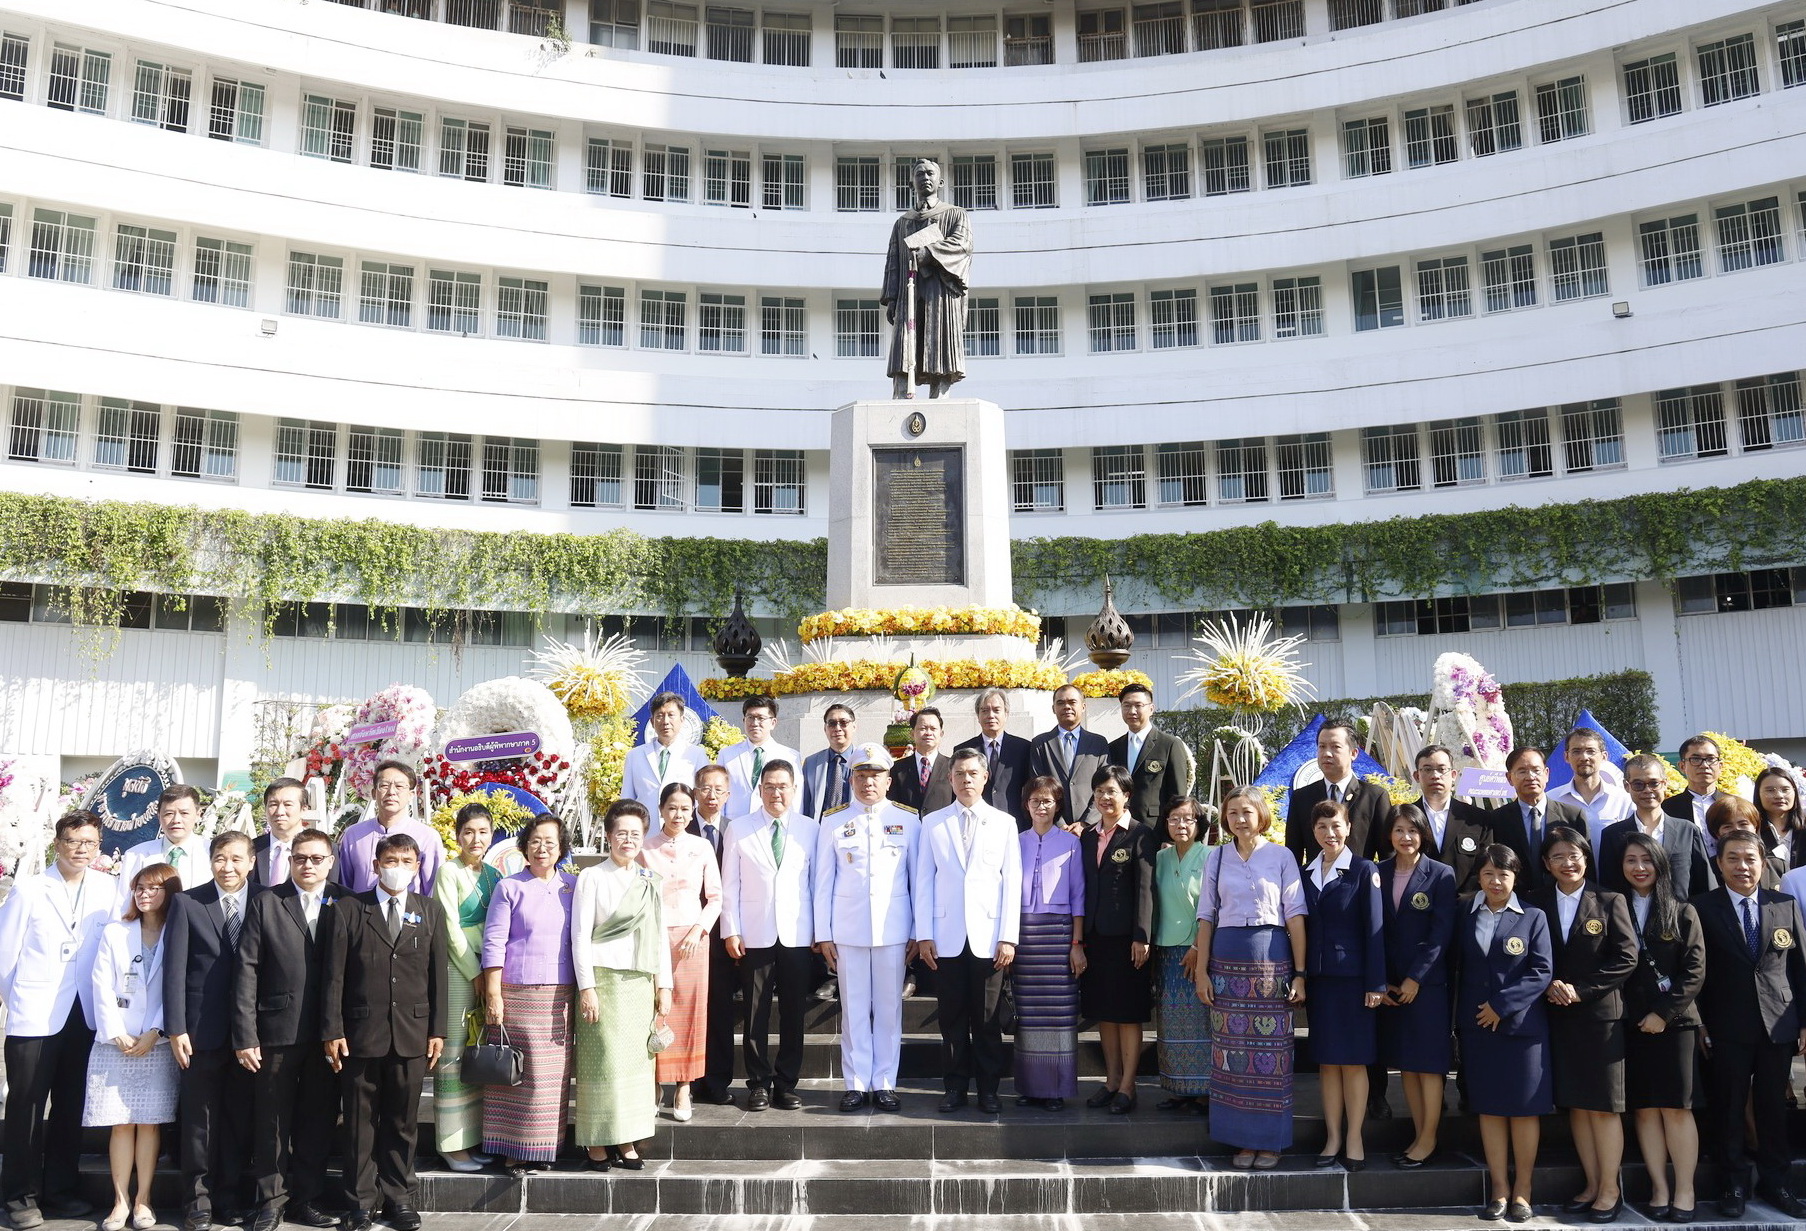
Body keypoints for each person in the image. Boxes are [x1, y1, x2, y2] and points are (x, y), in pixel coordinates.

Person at [322, 833, 446, 1231]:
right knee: (358, 1123)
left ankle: (399, 1198)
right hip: (359, 1034)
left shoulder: (430, 910)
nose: (398, 866)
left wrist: (437, 1030)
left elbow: (436, 976)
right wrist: (333, 1029)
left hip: (412, 1032)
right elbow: (333, 976)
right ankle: (360, 1202)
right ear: (375, 866)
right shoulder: (348, 909)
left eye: (406, 860)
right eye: (390, 859)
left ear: (417, 867)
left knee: (402, 1122)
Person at [0, 811, 116, 1229]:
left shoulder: (109, 889)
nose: (81, 849)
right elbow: (4, 958)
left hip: (84, 1014)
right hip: (35, 1015)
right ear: (58, 843)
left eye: (89, 842)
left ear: (98, 845)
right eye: (73, 841)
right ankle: (18, 1196)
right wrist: (22, 1002)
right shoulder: (29, 890)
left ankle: (61, 1190)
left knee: (71, 1106)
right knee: (27, 1105)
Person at [232, 828, 346, 1231]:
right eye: (301, 858)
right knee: (272, 1121)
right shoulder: (267, 901)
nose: (309, 865)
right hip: (275, 1031)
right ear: (290, 861)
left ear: (330, 861)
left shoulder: (346, 901)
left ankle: (307, 1200)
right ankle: (270, 1201)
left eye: (317, 858)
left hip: (330, 1034)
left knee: (317, 1120)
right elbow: (247, 969)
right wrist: (245, 1034)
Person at [1692, 829, 1806, 1220]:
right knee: (1728, 1106)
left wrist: (1805, 1021)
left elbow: (1800, 967)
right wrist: (1701, 1024)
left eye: (1750, 859)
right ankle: (1733, 1182)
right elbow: (1697, 972)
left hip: (1778, 1023)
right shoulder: (1702, 908)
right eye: (1734, 858)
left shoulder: (1784, 904)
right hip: (1726, 1026)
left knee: (1774, 1106)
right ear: (1719, 863)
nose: (1743, 866)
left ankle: (1776, 1182)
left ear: (1763, 863)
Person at [1193, 785, 1307, 1170]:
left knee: (1271, 1055)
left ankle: (1270, 1142)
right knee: (1232, 1054)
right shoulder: (1217, 857)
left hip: (1271, 958)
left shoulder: (1281, 856)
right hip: (1226, 960)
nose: (1240, 819)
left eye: (1247, 812)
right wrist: (1202, 973)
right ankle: (1241, 1140)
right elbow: (1206, 915)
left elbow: (1295, 915)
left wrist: (1301, 973)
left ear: (1261, 815)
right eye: (1233, 813)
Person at [1528, 826, 1637, 1223]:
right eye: (1558, 857)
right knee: (1577, 1105)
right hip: (1556, 1016)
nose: (1567, 863)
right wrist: (1551, 986)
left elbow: (1626, 958)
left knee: (1604, 1107)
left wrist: (1581, 989)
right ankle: (1592, 1184)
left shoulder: (1609, 899)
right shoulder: (1535, 901)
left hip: (1600, 1017)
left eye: (1574, 855)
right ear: (1546, 864)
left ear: (1586, 858)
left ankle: (1611, 1189)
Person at [812, 744, 920, 1112]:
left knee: (889, 1011)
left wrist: (918, 931)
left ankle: (885, 1082)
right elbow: (822, 882)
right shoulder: (833, 820)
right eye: (860, 775)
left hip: (893, 930)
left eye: (875, 776)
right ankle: (856, 1083)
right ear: (851, 779)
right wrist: (823, 933)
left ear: (889, 780)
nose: (867, 783)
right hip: (848, 930)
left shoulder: (909, 819)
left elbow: (917, 880)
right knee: (854, 1010)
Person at [915, 748, 1021, 1115]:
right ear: (950, 778)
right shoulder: (933, 822)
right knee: (952, 1019)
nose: (966, 780)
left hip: (989, 939)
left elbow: (1012, 883)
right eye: (959, 774)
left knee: (988, 1019)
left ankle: (989, 1090)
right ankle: (955, 1087)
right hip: (945, 938)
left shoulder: (1005, 823)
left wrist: (1009, 936)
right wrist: (924, 934)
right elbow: (924, 880)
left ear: (985, 777)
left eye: (972, 774)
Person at [165, 830, 262, 1231]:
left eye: (237, 859)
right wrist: (176, 1028)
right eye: (221, 858)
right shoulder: (189, 902)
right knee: (199, 1121)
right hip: (200, 1030)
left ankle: (228, 1197)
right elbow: (174, 969)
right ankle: (197, 1201)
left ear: (251, 862)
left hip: (249, 1034)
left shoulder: (266, 900)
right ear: (210, 861)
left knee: (239, 1119)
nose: (229, 867)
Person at [1454, 845, 1552, 1224]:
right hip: (1478, 1027)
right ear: (1478, 876)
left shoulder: (1533, 917)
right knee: (1490, 1108)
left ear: (1515, 878)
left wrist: (1503, 1005)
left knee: (1525, 1111)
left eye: (1504, 875)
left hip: (1522, 1029)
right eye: (1489, 874)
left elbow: (1541, 972)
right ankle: (1498, 1189)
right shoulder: (1466, 913)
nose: (1496, 882)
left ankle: (1523, 1191)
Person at [573, 801, 673, 1171]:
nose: (628, 840)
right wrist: (587, 987)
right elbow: (580, 937)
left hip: (639, 983)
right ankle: (597, 1142)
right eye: (621, 833)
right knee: (602, 1065)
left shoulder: (649, 880)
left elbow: (659, 936)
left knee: (636, 1068)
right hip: (603, 981)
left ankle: (628, 1138)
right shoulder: (592, 877)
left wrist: (664, 985)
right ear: (608, 836)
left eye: (635, 833)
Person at [85, 862, 180, 1231]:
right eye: (139, 887)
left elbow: (177, 985)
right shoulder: (115, 932)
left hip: (155, 1043)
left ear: (169, 892)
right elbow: (101, 984)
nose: (144, 894)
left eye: (153, 887)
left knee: (149, 1123)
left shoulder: (178, 932)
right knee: (120, 1124)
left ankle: (144, 1200)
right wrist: (116, 1032)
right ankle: (120, 1201)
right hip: (117, 1043)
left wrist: (155, 1031)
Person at [480, 817, 577, 1174]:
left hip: (560, 993)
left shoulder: (573, 886)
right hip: (517, 992)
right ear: (524, 846)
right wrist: (493, 993)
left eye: (550, 843)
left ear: (562, 848)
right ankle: (514, 1149)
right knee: (518, 1074)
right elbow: (493, 940)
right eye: (535, 841)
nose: (542, 849)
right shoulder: (509, 887)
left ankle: (546, 1147)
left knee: (552, 1078)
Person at [720, 759, 818, 1112]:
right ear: (760, 790)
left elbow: (816, 885)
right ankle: (759, 1083)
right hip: (754, 934)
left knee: (794, 1013)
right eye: (770, 786)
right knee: (755, 1013)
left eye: (783, 786)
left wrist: (820, 931)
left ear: (794, 790)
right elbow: (729, 884)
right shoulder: (740, 828)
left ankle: (787, 1083)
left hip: (797, 934)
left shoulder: (810, 829)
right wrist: (731, 929)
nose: (777, 793)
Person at [1618, 832, 1705, 1223]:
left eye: (1646, 860)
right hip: (1629, 1022)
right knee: (1645, 1109)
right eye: (1631, 860)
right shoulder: (1612, 906)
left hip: (1675, 1024)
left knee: (1676, 1108)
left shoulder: (1682, 911)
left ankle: (1685, 1189)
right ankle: (1659, 1187)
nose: (1639, 868)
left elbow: (1694, 972)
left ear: (1660, 865)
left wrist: (1663, 1014)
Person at [1302, 800, 1386, 1170]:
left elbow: (1375, 931)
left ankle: (1354, 1138)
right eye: (1322, 827)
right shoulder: (1306, 873)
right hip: (1320, 982)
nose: (1329, 833)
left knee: (1353, 1063)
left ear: (1348, 828)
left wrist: (1376, 983)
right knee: (1327, 1064)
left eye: (1335, 826)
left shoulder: (1364, 870)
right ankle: (1332, 1136)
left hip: (1354, 983)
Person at [1376, 805, 1456, 1169]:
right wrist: (1387, 981)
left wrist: (1414, 979)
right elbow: (1377, 933)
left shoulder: (1441, 874)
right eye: (1398, 830)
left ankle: (1429, 1139)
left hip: (1428, 987)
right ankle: (1419, 1134)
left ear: (1423, 834)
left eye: (1412, 830)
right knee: (1407, 1065)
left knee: (1429, 1065)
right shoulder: (1379, 873)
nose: (1405, 837)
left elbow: (1441, 935)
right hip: (1393, 987)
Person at [1077, 765, 1155, 1115]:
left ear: (1127, 795)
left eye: (1112, 791)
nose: (1105, 798)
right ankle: (1110, 1080)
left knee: (1127, 1014)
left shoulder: (1141, 834)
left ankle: (1128, 1086)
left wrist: (1142, 936)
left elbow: (1145, 889)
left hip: (1127, 941)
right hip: (1096, 938)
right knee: (1104, 1014)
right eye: (1099, 792)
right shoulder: (1088, 836)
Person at [640, 783, 721, 1121]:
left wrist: (699, 929)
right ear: (661, 810)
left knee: (690, 1013)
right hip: (653, 937)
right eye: (672, 808)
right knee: (656, 1011)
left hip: (692, 939)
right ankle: (656, 1082)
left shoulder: (702, 847)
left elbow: (715, 897)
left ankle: (684, 1087)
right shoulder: (644, 848)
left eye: (686, 809)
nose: (679, 815)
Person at [430, 804, 503, 1170]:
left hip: (486, 969)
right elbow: (449, 927)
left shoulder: (493, 874)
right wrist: (475, 971)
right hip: (459, 971)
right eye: (469, 832)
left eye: (483, 832)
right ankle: (450, 1144)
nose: (476, 839)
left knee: (477, 1053)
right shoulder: (449, 872)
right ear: (457, 835)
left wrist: (490, 973)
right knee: (455, 1054)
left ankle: (472, 1139)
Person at [1012, 776, 1085, 1111]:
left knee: (1057, 1015)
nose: (1041, 807)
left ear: (1058, 806)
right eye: (1035, 801)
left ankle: (1055, 1087)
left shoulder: (1070, 843)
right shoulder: (1014, 841)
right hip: (1024, 933)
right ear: (1026, 805)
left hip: (1058, 934)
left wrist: (1076, 942)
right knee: (1028, 1014)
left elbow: (1078, 896)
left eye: (1048, 801)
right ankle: (1030, 1085)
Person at [881, 157, 972, 399]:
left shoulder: (956, 215)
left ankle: (939, 396)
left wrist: (929, 253)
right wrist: (891, 298)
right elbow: (893, 261)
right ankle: (900, 395)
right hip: (908, 290)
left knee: (939, 343)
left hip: (940, 292)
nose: (925, 178)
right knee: (904, 344)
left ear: (940, 181)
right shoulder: (902, 223)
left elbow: (962, 245)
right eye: (919, 174)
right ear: (912, 183)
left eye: (930, 173)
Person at [685, 764, 739, 1108]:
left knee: (720, 1010)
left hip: (722, 936)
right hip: (686, 935)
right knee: (688, 1008)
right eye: (706, 788)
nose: (712, 795)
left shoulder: (739, 830)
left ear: (728, 794)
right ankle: (685, 1080)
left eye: (719, 789)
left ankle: (717, 1080)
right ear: (695, 792)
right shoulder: (679, 828)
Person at [1150, 796, 1207, 1115]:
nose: (1180, 825)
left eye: (1187, 819)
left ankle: (1203, 1090)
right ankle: (1177, 1087)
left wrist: (1199, 946)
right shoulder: (1160, 858)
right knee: (1171, 1021)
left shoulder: (1212, 856)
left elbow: (1214, 906)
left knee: (1200, 1022)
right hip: (1167, 950)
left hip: (1199, 949)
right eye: (1174, 819)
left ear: (1199, 824)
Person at [1407, 744, 1524, 896]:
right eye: (1427, 769)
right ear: (1417, 776)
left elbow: (1488, 865)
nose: (1435, 775)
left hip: (1466, 908)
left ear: (1454, 775)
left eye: (1442, 769)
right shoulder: (1405, 818)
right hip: (1418, 905)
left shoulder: (1478, 819)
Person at [1597, 753, 1712, 903]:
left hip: (1680, 920)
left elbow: (1705, 885)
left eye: (1654, 783)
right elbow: (1608, 888)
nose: (1647, 790)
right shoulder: (1612, 835)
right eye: (1638, 784)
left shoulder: (1687, 830)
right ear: (1627, 786)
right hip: (1629, 921)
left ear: (1664, 783)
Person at [1284, 719, 1387, 865]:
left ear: (1354, 753)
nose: (1327, 753)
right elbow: (1293, 853)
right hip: (1316, 885)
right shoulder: (1301, 797)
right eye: (1322, 747)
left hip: (1359, 884)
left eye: (1335, 747)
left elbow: (1387, 856)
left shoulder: (1374, 797)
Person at [334, 760, 442, 896]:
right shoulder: (353, 835)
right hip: (359, 913)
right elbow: (345, 885)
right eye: (384, 786)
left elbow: (432, 891)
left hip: (408, 914)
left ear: (411, 794)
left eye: (399, 786)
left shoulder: (427, 836)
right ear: (374, 793)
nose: (391, 792)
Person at [1027, 685, 1110, 832]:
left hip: (1091, 829)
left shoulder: (1098, 743)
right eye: (1060, 703)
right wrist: (1059, 823)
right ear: (1053, 708)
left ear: (1083, 706)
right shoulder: (1040, 744)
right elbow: (1037, 786)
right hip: (1052, 827)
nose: (1066, 707)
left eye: (1072, 702)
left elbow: (1104, 786)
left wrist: (1085, 823)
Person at [1106, 686, 1192, 827]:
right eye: (1126, 705)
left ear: (1151, 709)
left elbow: (1178, 796)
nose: (1132, 711)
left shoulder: (1170, 744)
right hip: (1119, 825)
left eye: (1138, 705)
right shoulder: (1113, 747)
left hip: (1155, 828)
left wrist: (1169, 837)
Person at [1502, 747, 1584, 892]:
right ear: (1509, 778)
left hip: (1563, 898)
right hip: (1519, 902)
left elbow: (1584, 864)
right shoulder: (1497, 820)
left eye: (1536, 770)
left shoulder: (1572, 816)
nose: (1530, 777)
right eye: (1522, 771)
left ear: (1546, 774)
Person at [117, 786, 211, 906]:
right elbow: (123, 904)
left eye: (184, 813)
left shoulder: (211, 852)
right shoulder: (135, 855)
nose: (176, 820)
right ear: (158, 816)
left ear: (198, 815)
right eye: (169, 813)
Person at [955, 690, 1033, 830]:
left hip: (1016, 824)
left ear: (1006, 714)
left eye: (996, 710)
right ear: (978, 716)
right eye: (984, 710)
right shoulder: (963, 750)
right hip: (975, 825)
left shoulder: (1024, 748)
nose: (990, 715)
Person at [1548, 728, 1635, 850]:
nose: (1584, 757)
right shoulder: (1551, 800)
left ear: (1604, 756)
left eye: (1591, 751)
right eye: (1576, 751)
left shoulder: (1624, 800)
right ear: (1566, 757)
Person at [718, 695, 800, 820]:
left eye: (761, 718)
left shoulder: (790, 756)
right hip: (734, 826)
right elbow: (720, 793)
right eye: (750, 717)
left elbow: (796, 799)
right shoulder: (727, 755)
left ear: (773, 723)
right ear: (744, 720)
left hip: (773, 826)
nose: (755, 723)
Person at [624, 691, 702, 809]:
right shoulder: (635, 756)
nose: (665, 721)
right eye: (659, 716)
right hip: (646, 825)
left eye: (671, 715)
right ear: (652, 722)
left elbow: (701, 796)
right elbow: (627, 798)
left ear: (682, 720)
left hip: (682, 825)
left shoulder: (696, 754)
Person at [1663, 735, 1736, 851]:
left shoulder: (1736, 804)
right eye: (1695, 759)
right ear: (1682, 766)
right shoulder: (1667, 808)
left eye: (1711, 759)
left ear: (1720, 766)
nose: (1704, 765)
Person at [1706, 797, 1785, 890]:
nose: (1737, 830)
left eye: (1743, 824)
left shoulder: (1778, 866)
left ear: (1755, 827)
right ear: (1717, 833)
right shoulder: (1707, 870)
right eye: (1728, 826)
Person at [890, 707, 953, 815]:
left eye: (933, 729)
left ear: (941, 734)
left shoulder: (952, 766)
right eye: (923, 728)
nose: (928, 733)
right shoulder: (897, 768)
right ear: (912, 733)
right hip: (908, 828)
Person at [250, 778, 309, 890]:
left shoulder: (323, 850)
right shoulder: (252, 848)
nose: (279, 812)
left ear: (304, 809)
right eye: (273, 804)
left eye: (287, 804)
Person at [801, 704, 858, 820]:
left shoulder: (864, 760)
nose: (837, 728)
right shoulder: (811, 763)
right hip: (821, 830)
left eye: (843, 722)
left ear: (854, 727)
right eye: (832, 723)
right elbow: (805, 805)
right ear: (825, 728)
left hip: (855, 830)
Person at [1756, 765, 1806, 873]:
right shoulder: (1753, 830)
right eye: (1770, 790)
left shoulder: (1803, 828)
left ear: (1794, 792)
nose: (1779, 795)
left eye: (1785, 790)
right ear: (1758, 794)